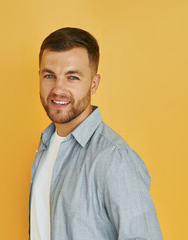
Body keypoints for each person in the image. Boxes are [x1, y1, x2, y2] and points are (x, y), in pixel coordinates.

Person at [29, 27, 162, 240]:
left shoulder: (114, 158)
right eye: (49, 75)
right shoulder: (46, 146)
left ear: (94, 84)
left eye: (72, 77)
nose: (58, 88)